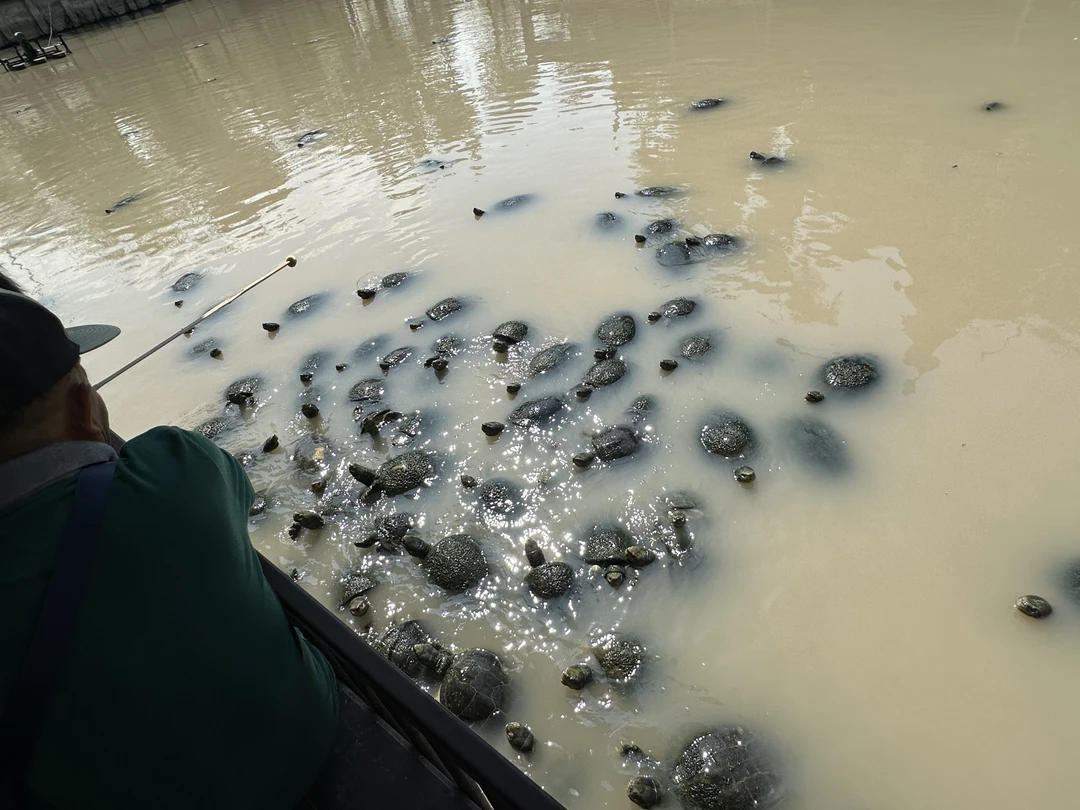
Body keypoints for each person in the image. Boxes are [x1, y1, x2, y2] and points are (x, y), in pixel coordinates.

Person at [0, 283, 339, 808]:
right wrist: (98, 448)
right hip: (306, 747)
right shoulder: (176, 463)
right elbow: (237, 493)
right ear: (85, 405)